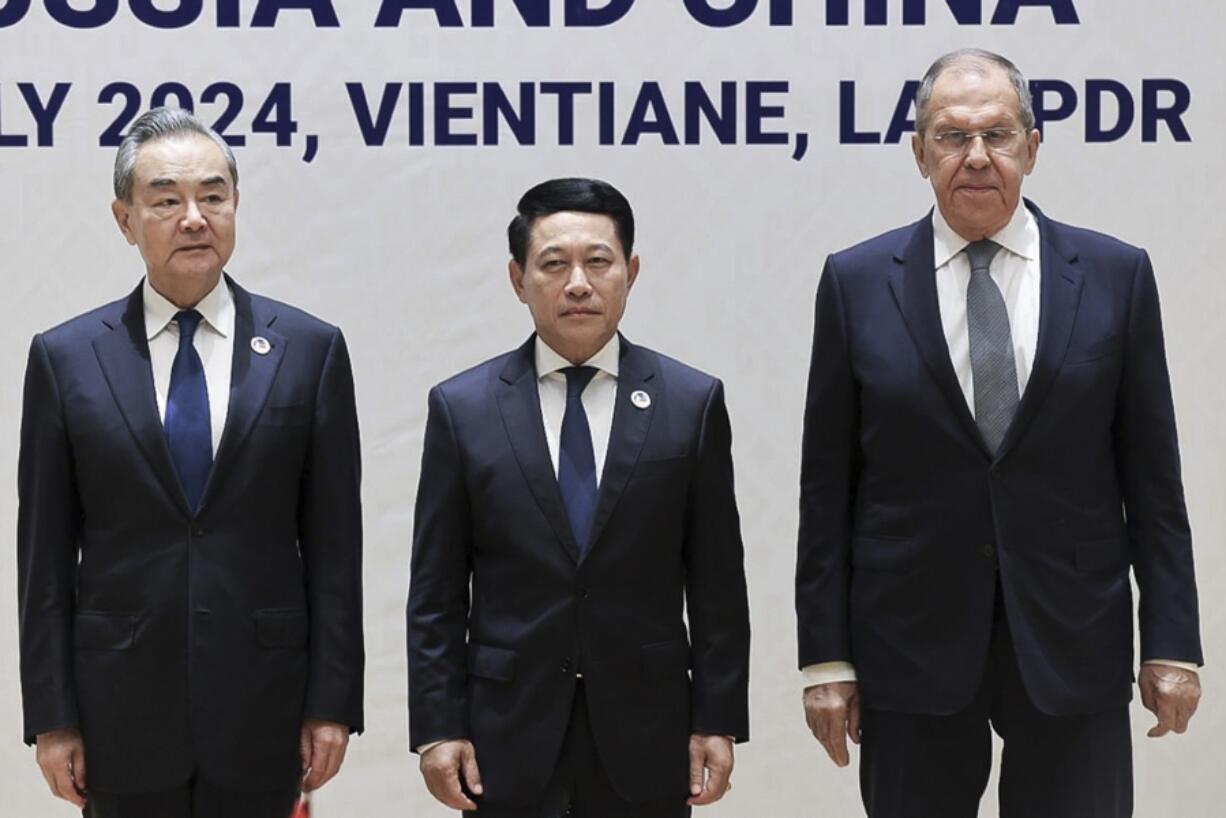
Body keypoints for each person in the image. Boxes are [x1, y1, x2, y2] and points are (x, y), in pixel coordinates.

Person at [795, 49, 1203, 817]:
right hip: (909, 645)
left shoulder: (1116, 275)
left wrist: (1172, 642)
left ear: (1032, 146)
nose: (976, 156)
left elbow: (1154, 480)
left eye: (998, 135)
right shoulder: (855, 283)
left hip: (1072, 638)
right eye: (950, 137)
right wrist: (825, 658)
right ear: (919, 154)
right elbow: (828, 490)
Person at [17, 107, 364, 818]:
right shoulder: (65, 359)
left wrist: (332, 703)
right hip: (119, 713)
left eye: (213, 196)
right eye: (167, 199)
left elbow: (335, 547)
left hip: (264, 709)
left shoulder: (309, 350)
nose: (194, 217)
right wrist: (52, 718)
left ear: (235, 207)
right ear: (125, 219)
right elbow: (44, 558)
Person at [407, 177, 750, 818]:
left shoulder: (690, 403)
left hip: (649, 728)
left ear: (631, 270)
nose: (577, 284)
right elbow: (436, 593)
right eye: (554, 264)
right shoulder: (463, 409)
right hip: (503, 732)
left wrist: (718, 719)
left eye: (598, 262)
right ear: (518, 278)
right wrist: (437, 726)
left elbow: (717, 585)